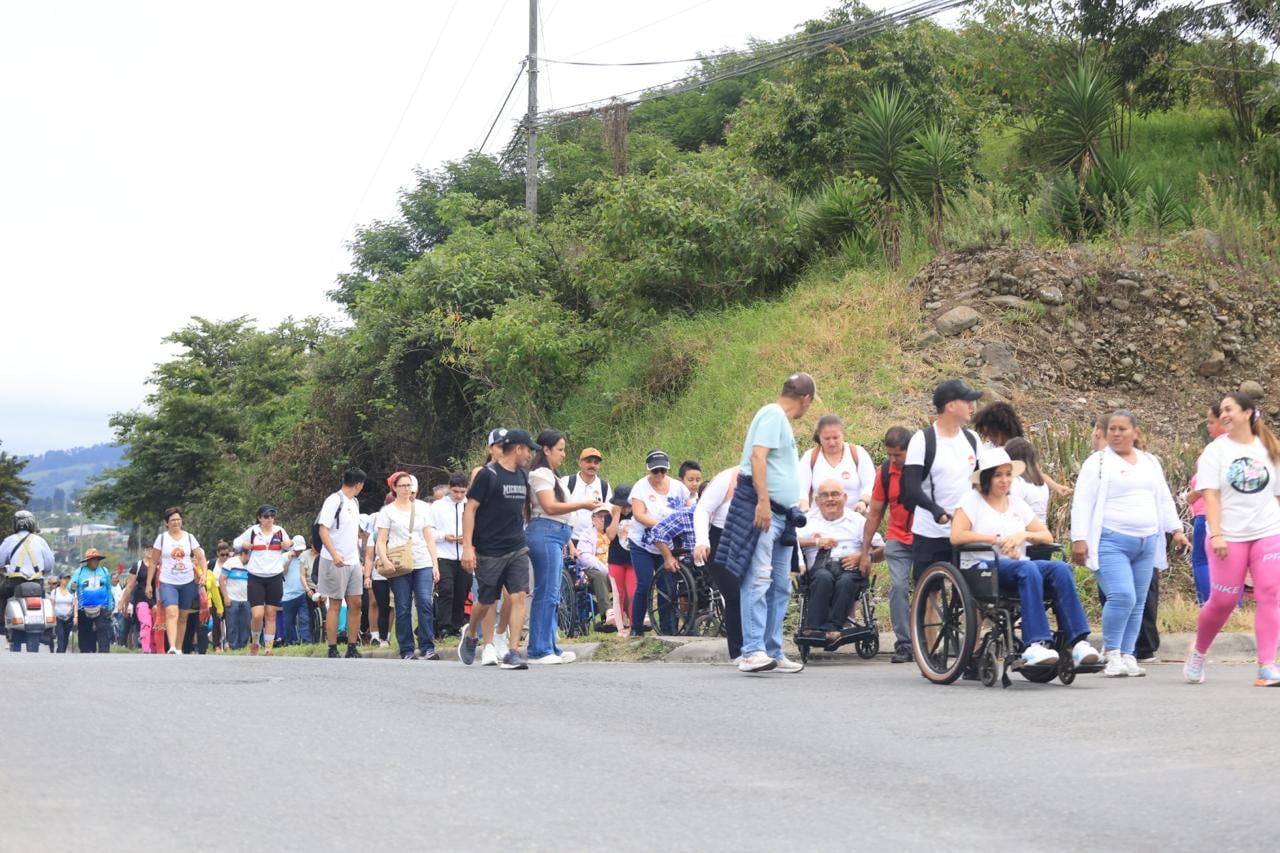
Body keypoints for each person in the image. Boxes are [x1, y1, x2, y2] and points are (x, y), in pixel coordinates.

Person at [952, 448, 1101, 668]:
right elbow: (957, 536)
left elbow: (1046, 535)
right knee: (1028, 570)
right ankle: (1035, 645)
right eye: (998, 475)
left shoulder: (1017, 504)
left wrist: (1024, 535)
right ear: (986, 478)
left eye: (1008, 474)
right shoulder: (972, 500)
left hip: (1017, 565)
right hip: (982, 566)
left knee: (1060, 568)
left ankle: (1078, 643)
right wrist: (997, 540)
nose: (1005, 480)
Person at [1070, 410, 1189, 677]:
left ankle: (1128, 654)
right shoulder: (1097, 462)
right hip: (1111, 541)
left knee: (1138, 601)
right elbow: (1082, 502)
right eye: (1112, 429)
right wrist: (1079, 538)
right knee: (1122, 595)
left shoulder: (1149, 462)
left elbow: (1163, 499)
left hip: (1147, 541)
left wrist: (1177, 530)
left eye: (1122, 429)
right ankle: (1111, 653)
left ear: (1135, 432)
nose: (1116, 434)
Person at [719, 372, 818, 674]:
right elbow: (757, 458)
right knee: (759, 580)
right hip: (765, 510)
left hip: (782, 515)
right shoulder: (773, 415)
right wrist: (762, 502)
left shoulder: (779, 420)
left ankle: (772, 649)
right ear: (805, 399)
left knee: (780, 586)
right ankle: (752, 650)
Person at [1184, 393, 1280, 687]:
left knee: (1270, 593)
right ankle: (1199, 651)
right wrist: (1217, 533)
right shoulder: (1216, 451)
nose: (1223, 415)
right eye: (1221, 410)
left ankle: (1266, 665)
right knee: (1224, 600)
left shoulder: (1270, 448)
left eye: (1229, 409)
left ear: (1248, 413)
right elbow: (1210, 495)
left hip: (1268, 531)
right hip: (1228, 534)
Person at [459, 429, 538, 670]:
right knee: (485, 600)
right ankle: (471, 632)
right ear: (517, 449)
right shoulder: (487, 475)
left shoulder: (523, 476)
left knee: (518, 596)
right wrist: (467, 547)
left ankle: (513, 652)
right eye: (528, 450)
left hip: (516, 547)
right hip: (489, 550)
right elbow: (470, 509)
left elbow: (523, 509)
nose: (529, 455)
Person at [527, 431, 603, 664]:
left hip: (557, 535)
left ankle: (551, 646)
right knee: (547, 592)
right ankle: (538, 650)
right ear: (546, 450)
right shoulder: (540, 473)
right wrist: (582, 504)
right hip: (545, 533)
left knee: (554, 593)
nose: (563, 454)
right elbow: (549, 506)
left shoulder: (553, 475)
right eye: (559, 449)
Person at [901, 380, 983, 578]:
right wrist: (937, 512)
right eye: (967, 401)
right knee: (930, 593)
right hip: (931, 531)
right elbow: (911, 487)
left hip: (965, 530)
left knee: (976, 591)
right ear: (951, 405)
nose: (972, 406)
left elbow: (981, 482)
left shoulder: (972, 439)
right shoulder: (923, 440)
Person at [798, 479, 884, 647]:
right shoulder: (807, 520)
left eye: (835, 494)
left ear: (845, 498)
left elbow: (882, 549)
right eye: (824, 495)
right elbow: (792, 541)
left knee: (846, 581)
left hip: (850, 569)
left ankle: (833, 629)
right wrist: (816, 543)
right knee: (823, 577)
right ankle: (813, 627)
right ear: (816, 500)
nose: (830, 499)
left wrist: (862, 555)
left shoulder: (858, 521)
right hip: (819, 567)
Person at [860, 426, 915, 663]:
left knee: (930, 589)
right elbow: (874, 514)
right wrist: (865, 552)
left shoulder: (927, 469)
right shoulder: (884, 472)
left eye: (898, 455)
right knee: (899, 588)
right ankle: (904, 643)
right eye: (890, 454)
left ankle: (927, 639)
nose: (893, 460)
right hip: (898, 538)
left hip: (926, 538)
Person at [376, 471, 442, 660]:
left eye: (409, 485)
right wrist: (385, 560)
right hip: (399, 564)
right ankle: (406, 648)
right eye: (403, 485)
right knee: (403, 606)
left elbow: (429, 539)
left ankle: (427, 645)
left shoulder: (422, 509)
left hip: (422, 561)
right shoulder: (387, 512)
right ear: (394, 488)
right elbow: (381, 541)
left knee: (424, 602)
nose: (407, 489)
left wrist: (435, 565)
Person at [627, 450, 691, 638]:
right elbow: (638, 514)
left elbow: (688, 508)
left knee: (667, 585)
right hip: (643, 543)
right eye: (655, 472)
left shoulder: (678, 487)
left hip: (669, 543)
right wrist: (663, 525)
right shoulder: (640, 487)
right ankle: (636, 627)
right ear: (649, 470)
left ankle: (668, 628)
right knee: (645, 583)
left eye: (663, 471)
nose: (659, 475)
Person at [316, 467, 368, 659]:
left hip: (353, 559)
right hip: (334, 559)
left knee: (356, 602)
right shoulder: (334, 500)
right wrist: (334, 553)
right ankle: (332, 647)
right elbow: (323, 529)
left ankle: (352, 646)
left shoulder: (354, 502)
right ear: (359, 484)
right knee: (336, 603)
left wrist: (358, 558)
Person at [693, 467, 743, 661]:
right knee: (734, 594)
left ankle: (760, 646)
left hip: (750, 538)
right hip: (721, 538)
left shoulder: (772, 477)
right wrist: (702, 541)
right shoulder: (727, 479)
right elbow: (702, 509)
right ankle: (738, 650)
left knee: (757, 593)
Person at [973, 402, 1072, 496]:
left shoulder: (1020, 448)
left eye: (991, 433)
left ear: (1002, 429)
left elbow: (1036, 472)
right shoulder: (986, 449)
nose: (989, 437)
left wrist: (1056, 486)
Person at [232, 504, 289, 656]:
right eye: (266, 516)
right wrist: (243, 544)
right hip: (256, 576)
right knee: (257, 614)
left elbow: (290, 545)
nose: (270, 519)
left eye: (272, 516)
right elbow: (235, 543)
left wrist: (287, 544)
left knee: (271, 613)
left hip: (275, 575)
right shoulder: (252, 531)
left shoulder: (280, 531)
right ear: (259, 518)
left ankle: (269, 647)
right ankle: (255, 642)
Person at [151, 507, 207, 656]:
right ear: (167, 523)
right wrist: (148, 583)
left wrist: (204, 575)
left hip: (188, 581)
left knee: (183, 615)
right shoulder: (162, 538)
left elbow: (200, 557)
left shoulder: (189, 537)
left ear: (181, 521)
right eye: (172, 520)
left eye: (178, 519)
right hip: (167, 581)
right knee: (171, 611)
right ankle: (172, 647)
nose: (176, 522)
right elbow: (153, 561)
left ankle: (179, 647)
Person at [1186, 403, 1227, 604]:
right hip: (1232, 512)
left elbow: (1210, 478)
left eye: (1211, 422)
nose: (1208, 427)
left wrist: (1193, 494)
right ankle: (1231, 605)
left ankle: (1208, 603)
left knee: (1202, 558)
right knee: (1228, 561)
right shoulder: (1243, 445)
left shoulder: (1216, 447)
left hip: (1207, 510)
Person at [798, 414, 875, 513]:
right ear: (819, 437)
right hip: (819, 520)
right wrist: (804, 504)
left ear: (843, 434)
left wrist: (863, 501)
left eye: (835, 437)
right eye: (827, 438)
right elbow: (800, 488)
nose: (831, 443)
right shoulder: (810, 457)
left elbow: (870, 484)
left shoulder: (858, 453)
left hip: (855, 517)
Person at [431, 471, 469, 638]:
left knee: (462, 591)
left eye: (462, 492)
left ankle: (457, 625)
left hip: (464, 554)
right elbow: (428, 531)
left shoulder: (470, 505)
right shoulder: (437, 506)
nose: (459, 495)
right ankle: (443, 626)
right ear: (449, 488)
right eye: (456, 492)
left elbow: (479, 529)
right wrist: (443, 536)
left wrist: (467, 539)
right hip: (443, 554)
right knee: (446, 590)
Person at [0, 510, 56, 625]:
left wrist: (6, 567)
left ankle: (2, 624)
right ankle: (47, 630)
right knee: (44, 600)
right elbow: (50, 564)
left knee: (2, 595)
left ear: (15, 524)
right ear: (32, 523)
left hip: (15, 582)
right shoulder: (40, 541)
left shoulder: (9, 540)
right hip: (37, 582)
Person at [576, 507, 619, 631]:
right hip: (594, 570)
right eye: (600, 517)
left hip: (615, 569)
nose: (603, 520)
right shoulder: (587, 535)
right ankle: (607, 614)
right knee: (599, 575)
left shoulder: (614, 532)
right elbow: (584, 557)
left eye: (606, 516)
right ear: (593, 519)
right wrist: (605, 569)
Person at [69, 548, 115, 653]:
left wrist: (110, 606)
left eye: (97, 559)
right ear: (88, 561)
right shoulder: (79, 572)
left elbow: (108, 589)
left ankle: (104, 654)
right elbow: (70, 588)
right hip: (83, 609)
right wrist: (72, 586)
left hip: (102, 608)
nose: (96, 562)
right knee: (85, 635)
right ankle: (86, 654)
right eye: (93, 559)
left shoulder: (104, 571)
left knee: (103, 633)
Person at [606, 484, 636, 636]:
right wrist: (616, 515)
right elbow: (610, 535)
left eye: (627, 505)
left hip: (633, 559)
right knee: (618, 594)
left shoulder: (638, 513)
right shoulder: (610, 515)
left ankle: (634, 625)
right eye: (621, 505)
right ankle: (620, 628)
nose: (625, 509)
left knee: (633, 592)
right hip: (616, 559)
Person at [360, 509, 390, 647]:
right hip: (378, 573)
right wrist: (367, 576)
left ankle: (387, 635)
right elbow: (369, 557)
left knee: (392, 605)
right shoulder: (374, 535)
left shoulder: (397, 533)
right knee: (375, 603)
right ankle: (375, 635)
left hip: (396, 571)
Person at [214, 541, 250, 651]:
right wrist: (226, 597)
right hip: (232, 599)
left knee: (245, 625)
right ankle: (233, 646)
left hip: (246, 599)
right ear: (244, 554)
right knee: (232, 625)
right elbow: (221, 579)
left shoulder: (252, 565)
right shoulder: (231, 562)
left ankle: (242, 646)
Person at [121, 552, 158, 653]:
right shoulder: (137, 566)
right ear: (144, 551)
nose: (150, 551)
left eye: (152, 549)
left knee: (156, 627)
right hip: (141, 600)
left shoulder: (159, 566)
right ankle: (146, 649)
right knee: (146, 624)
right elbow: (129, 587)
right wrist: (124, 603)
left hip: (156, 601)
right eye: (148, 549)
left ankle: (155, 649)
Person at [281, 535, 314, 646]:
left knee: (304, 618)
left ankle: (306, 641)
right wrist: (289, 561)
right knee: (288, 622)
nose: (299, 552)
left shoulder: (304, 557)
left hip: (301, 593)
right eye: (298, 549)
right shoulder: (284, 556)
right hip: (287, 595)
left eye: (301, 550)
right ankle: (290, 642)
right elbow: (282, 573)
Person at [49, 573, 74, 652]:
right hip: (57, 617)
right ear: (60, 580)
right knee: (60, 635)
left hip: (68, 617)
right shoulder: (55, 592)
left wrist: (75, 616)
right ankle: (60, 651)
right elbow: (52, 604)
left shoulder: (71, 592)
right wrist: (51, 616)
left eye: (67, 579)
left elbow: (74, 604)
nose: (66, 580)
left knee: (66, 636)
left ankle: (62, 650)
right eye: (64, 578)